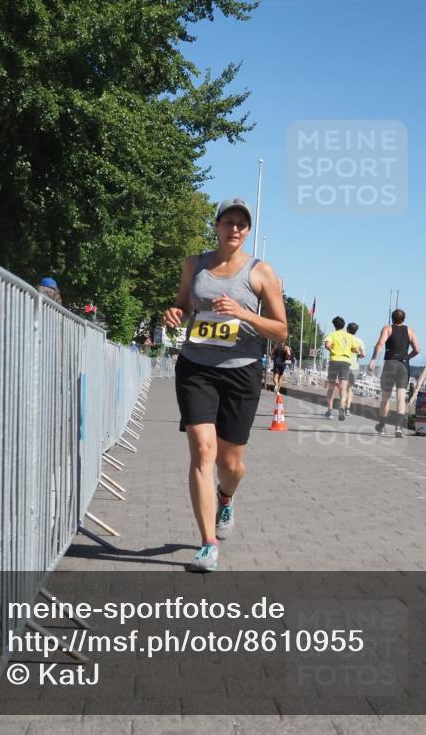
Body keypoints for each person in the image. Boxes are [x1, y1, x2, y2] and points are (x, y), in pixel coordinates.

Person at [163, 197, 287, 572]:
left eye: (241, 224)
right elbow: (183, 305)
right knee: (203, 451)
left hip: (241, 370)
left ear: (247, 231)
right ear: (216, 226)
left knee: (230, 462)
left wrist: (243, 313)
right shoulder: (194, 264)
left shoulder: (261, 272)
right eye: (228, 222)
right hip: (196, 366)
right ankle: (208, 544)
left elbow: (281, 329)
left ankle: (226, 497)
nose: (235, 229)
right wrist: (174, 313)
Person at [368, 309, 420, 437]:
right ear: (404, 319)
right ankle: (398, 427)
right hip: (403, 366)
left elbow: (380, 344)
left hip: (390, 364)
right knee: (401, 397)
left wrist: (373, 360)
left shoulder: (387, 329)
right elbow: (417, 350)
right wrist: (407, 357)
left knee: (385, 397)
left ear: (392, 318)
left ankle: (382, 426)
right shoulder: (410, 331)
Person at [323, 316, 354, 420]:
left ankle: (330, 410)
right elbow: (356, 349)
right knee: (343, 386)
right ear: (343, 325)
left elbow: (327, 345)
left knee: (331, 385)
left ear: (334, 325)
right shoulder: (349, 336)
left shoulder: (331, 334)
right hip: (345, 362)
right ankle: (341, 407)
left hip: (334, 361)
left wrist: (333, 350)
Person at [341, 322, 365, 417]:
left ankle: (342, 407)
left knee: (343, 388)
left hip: (344, 365)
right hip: (354, 366)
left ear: (347, 329)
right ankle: (347, 409)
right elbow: (363, 354)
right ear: (356, 331)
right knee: (350, 388)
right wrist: (357, 355)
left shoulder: (343, 339)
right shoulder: (359, 341)